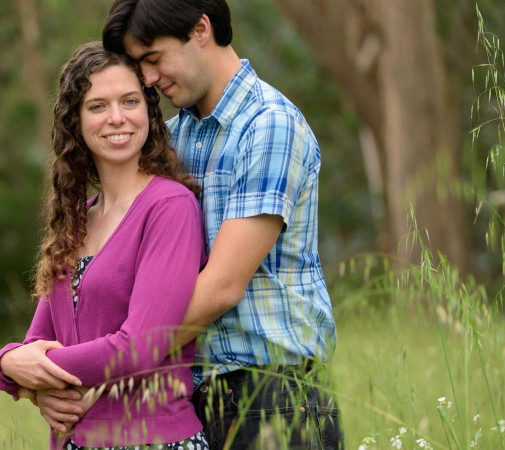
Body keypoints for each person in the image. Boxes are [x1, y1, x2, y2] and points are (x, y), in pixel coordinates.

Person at [98, 1, 342, 448]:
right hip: (189, 396)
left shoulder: (269, 125)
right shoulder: (173, 138)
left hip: (273, 398)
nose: (148, 78)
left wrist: (104, 365)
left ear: (201, 30)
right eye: (140, 65)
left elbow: (223, 286)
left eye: (153, 58)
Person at [0, 42, 210, 449]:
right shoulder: (76, 220)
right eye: (97, 106)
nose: (117, 118)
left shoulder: (169, 206)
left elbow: (141, 346)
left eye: (130, 101)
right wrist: (12, 361)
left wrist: (25, 369)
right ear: (75, 121)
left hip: (152, 439)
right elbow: (37, 339)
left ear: (149, 110)